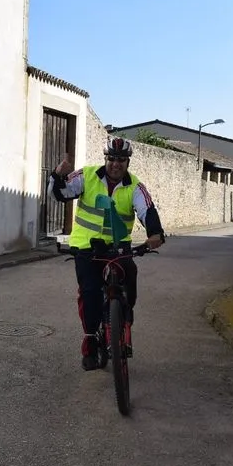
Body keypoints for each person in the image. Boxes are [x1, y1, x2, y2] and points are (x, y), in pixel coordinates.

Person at [47, 137, 166, 371]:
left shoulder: (135, 187)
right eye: (111, 158)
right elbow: (59, 194)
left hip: (118, 247)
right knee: (90, 293)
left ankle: (124, 321)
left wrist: (155, 234)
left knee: (129, 279)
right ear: (106, 159)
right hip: (86, 247)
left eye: (121, 160)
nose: (115, 164)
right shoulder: (87, 175)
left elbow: (147, 210)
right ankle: (91, 341)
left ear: (128, 162)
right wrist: (58, 175)